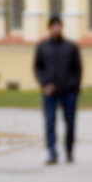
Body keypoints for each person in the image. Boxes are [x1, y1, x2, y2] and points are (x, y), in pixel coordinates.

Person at [33, 15, 82, 165]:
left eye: (58, 25)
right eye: (53, 25)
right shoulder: (42, 47)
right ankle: (52, 153)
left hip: (68, 91)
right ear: (49, 28)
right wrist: (44, 84)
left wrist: (74, 87)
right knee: (49, 122)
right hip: (49, 91)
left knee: (70, 123)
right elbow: (37, 68)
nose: (56, 28)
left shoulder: (71, 47)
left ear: (61, 27)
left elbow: (77, 69)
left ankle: (69, 150)